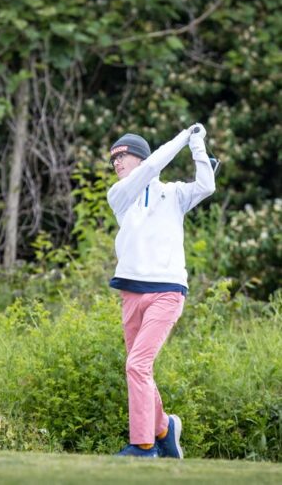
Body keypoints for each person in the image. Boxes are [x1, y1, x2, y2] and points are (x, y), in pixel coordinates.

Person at [107, 124, 215, 458]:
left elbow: (207, 185)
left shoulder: (175, 193)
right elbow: (154, 166)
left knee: (137, 366)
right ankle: (165, 429)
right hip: (130, 291)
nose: (116, 163)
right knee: (139, 368)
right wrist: (184, 135)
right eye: (112, 158)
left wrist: (197, 145)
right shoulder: (120, 194)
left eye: (121, 155)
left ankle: (143, 445)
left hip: (168, 290)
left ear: (138, 156)